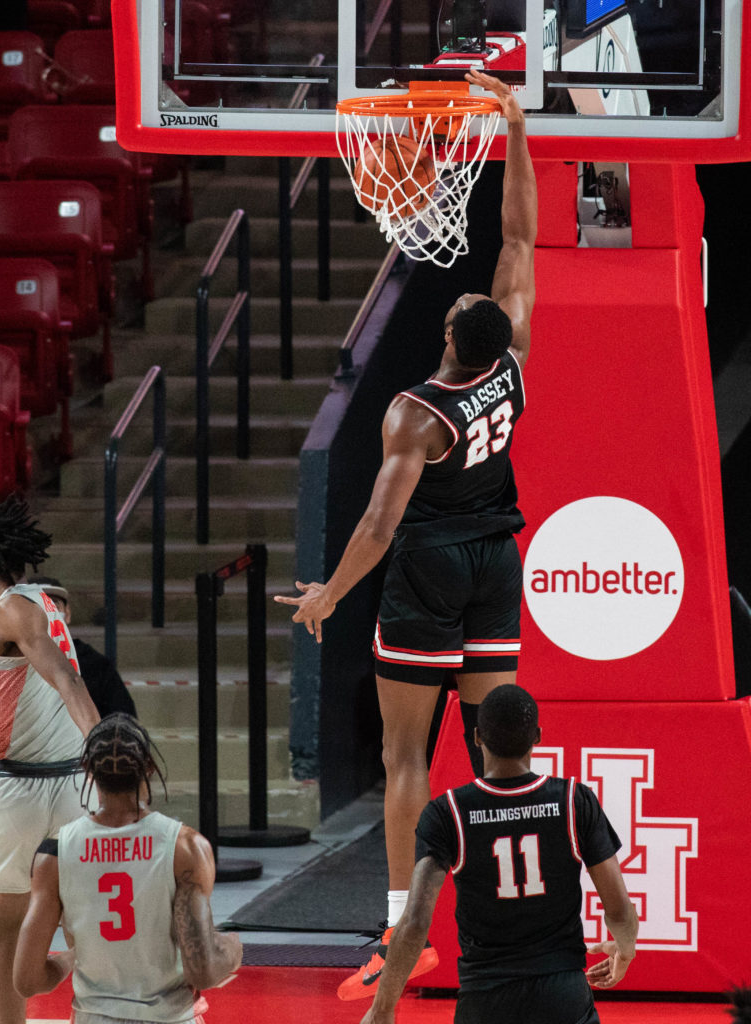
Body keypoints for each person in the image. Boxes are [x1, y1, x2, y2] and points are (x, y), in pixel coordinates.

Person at [275, 71, 537, 998]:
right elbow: (518, 239)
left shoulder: (415, 413)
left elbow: (381, 522)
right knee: (500, 756)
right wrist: (514, 129)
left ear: (451, 337)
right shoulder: (514, 362)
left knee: (403, 756)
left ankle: (402, 932)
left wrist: (328, 595)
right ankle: (519, 915)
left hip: (428, 567)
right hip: (496, 561)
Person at [359, 684, 639, 1024]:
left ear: (477, 737)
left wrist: (383, 1008)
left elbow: (415, 921)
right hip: (562, 994)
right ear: (537, 736)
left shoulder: (448, 812)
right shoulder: (573, 801)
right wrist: (625, 950)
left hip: (485, 998)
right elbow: (619, 910)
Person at [14, 712, 244, 1024]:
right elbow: (202, 971)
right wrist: (231, 951)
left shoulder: (54, 854)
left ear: (87, 769)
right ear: (149, 766)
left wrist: (69, 959)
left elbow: (27, 980)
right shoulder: (186, 847)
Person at [0, 494, 100, 1024]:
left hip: (20, 788)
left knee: (7, 927)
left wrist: (102, 745)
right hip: (73, 781)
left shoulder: (10, 608)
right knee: (83, 922)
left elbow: (66, 678)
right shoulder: (42, 602)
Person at [29, 575, 138, 719]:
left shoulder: (96, 666)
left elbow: (123, 721)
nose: (47, 612)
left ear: (67, 614)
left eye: (54, 604)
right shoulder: (6, 665)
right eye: (36, 605)